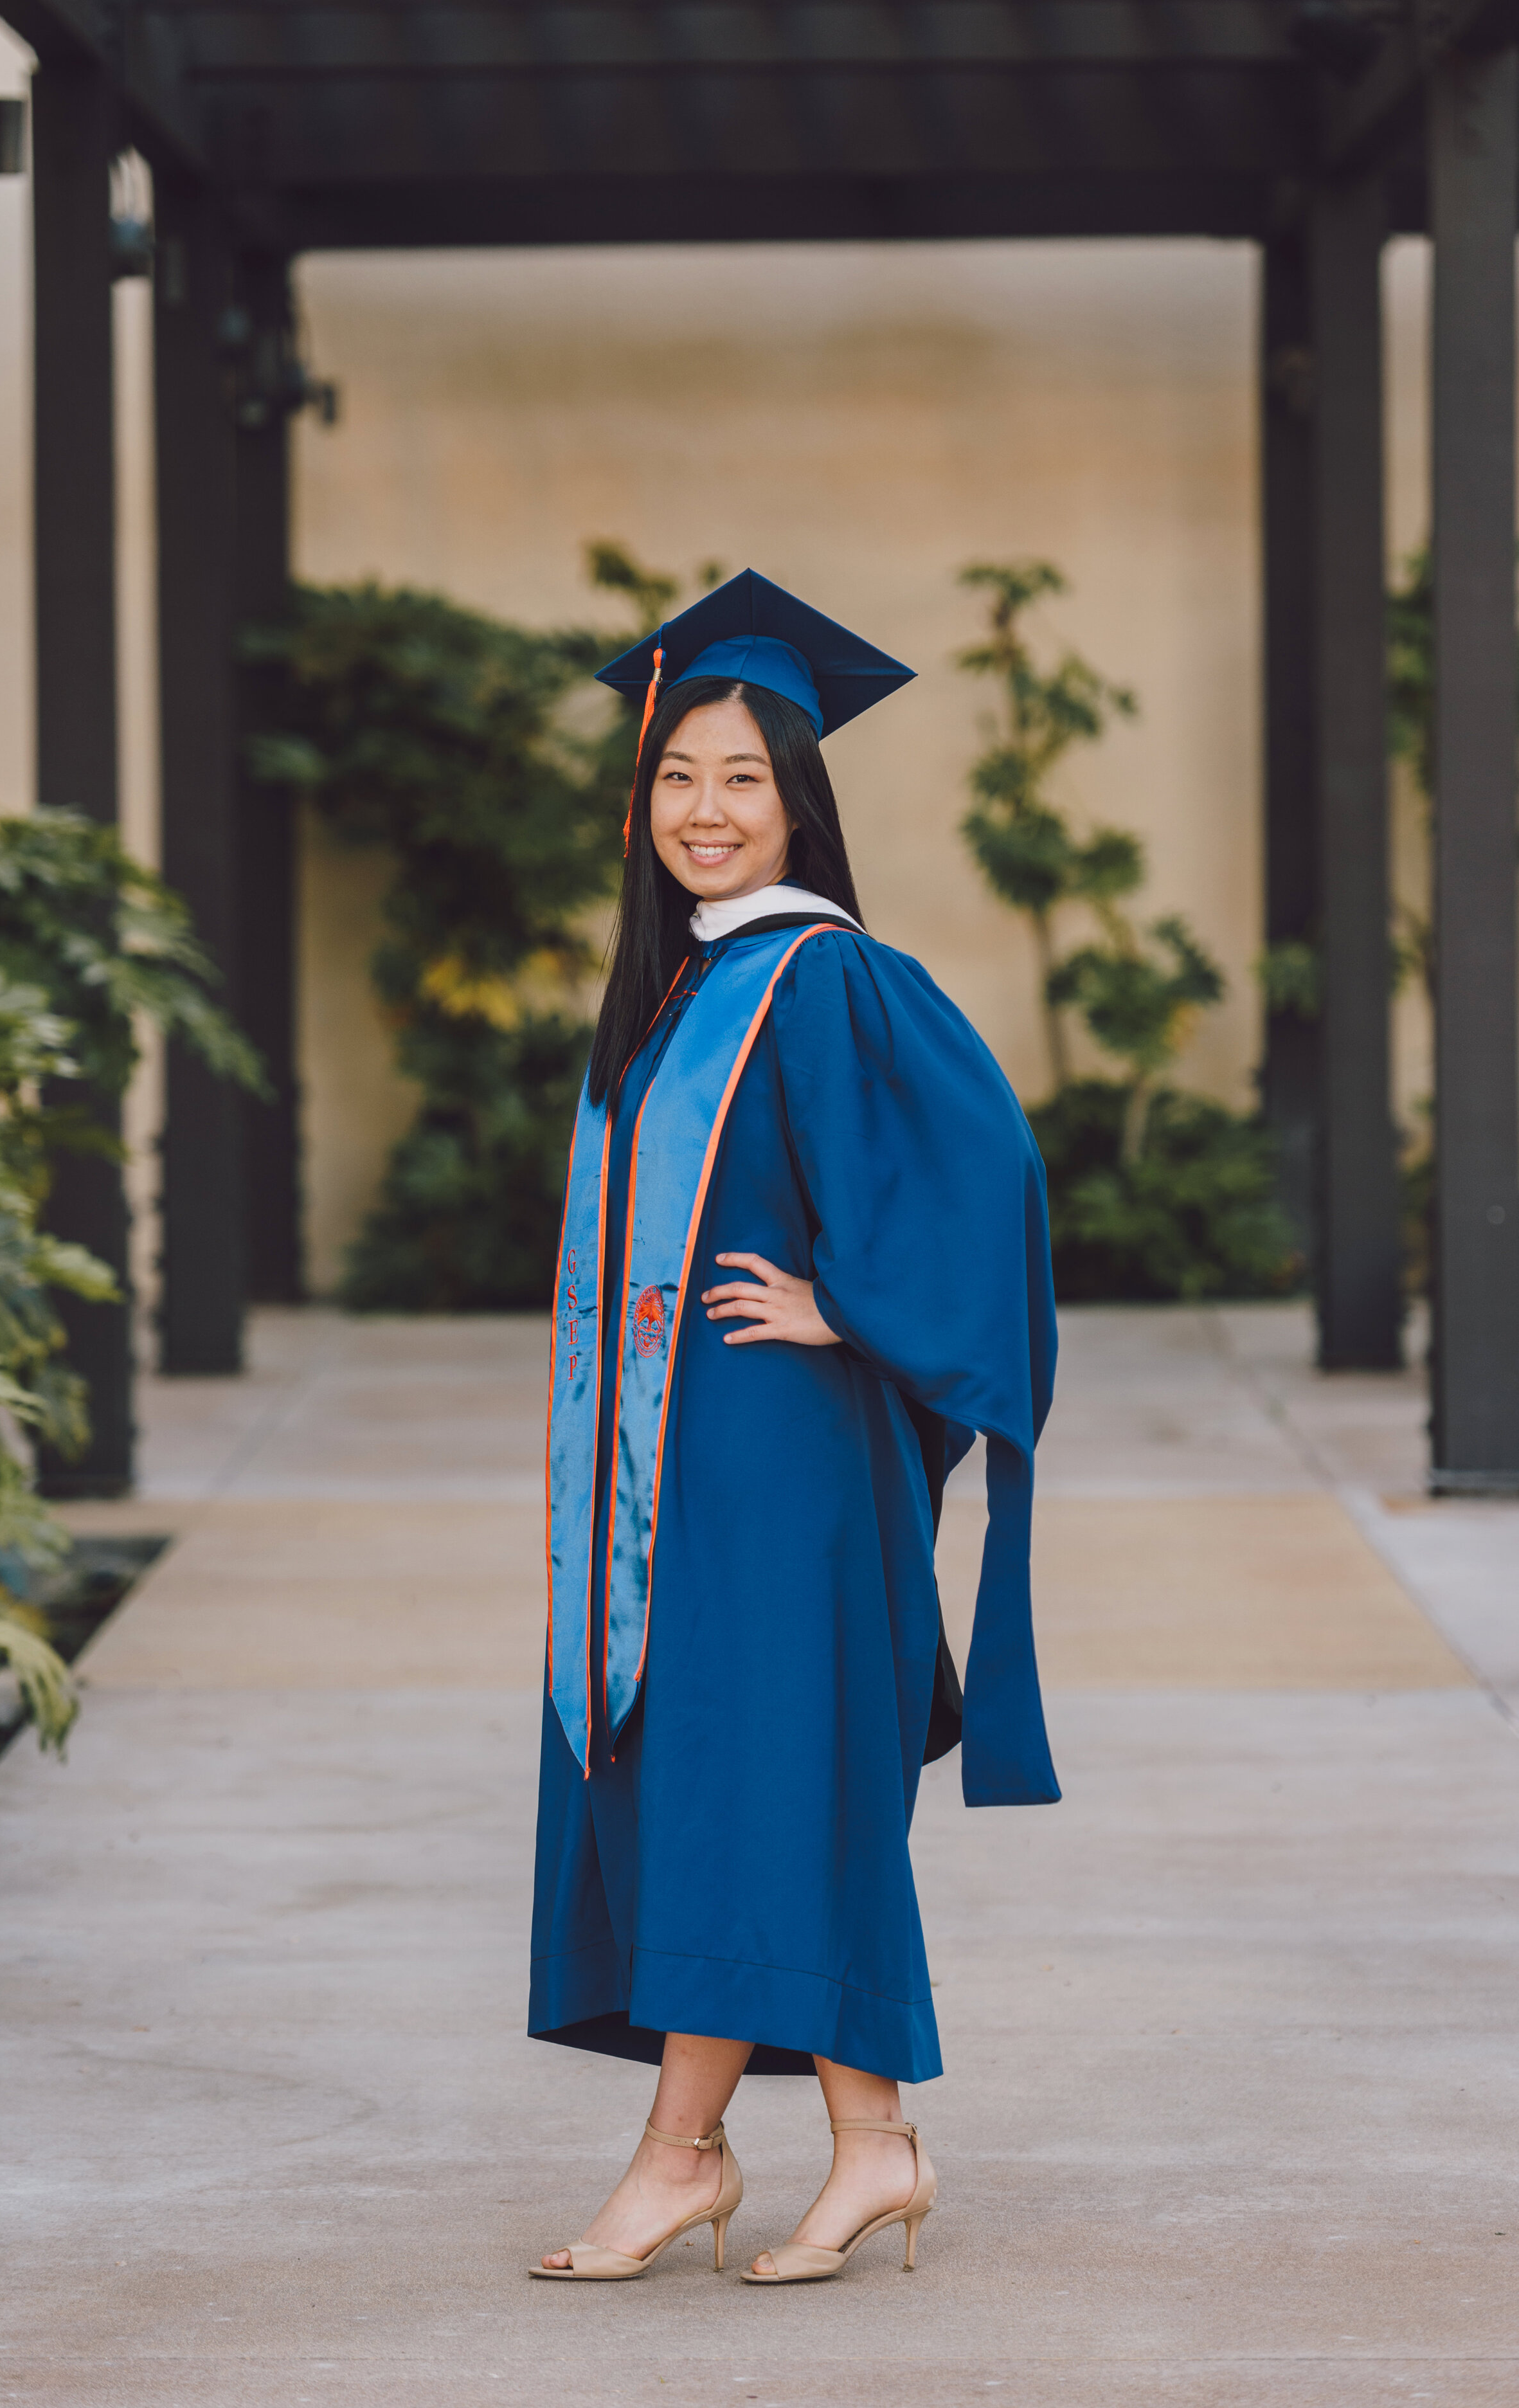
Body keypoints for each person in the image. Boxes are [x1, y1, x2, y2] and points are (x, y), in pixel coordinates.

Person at [529, 571, 1059, 2285]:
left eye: (742, 777)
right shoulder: (673, 992)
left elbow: (986, 1179)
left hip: (783, 1473)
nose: (705, 809)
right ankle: (835, 2144)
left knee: (759, 1786)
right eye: (678, 775)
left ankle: (705, 2155)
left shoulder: (826, 980)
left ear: (798, 802)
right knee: (733, 1794)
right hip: (673, 1483)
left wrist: (861, 1309)